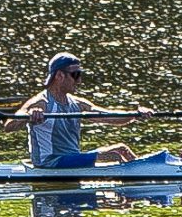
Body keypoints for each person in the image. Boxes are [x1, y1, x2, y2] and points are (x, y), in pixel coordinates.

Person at [10, 52, 140, 170]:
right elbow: (10, 125)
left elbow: (110, 117)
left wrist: (136, 114)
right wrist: (28, 115)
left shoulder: (77, 103)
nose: (79, 81)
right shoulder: (41, 103)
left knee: (122, 149)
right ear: (60, 75)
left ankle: (142, 172)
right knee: (113, 155)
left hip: (71, 159)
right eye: (75, 75)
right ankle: (134, 183)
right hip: (49, 163)